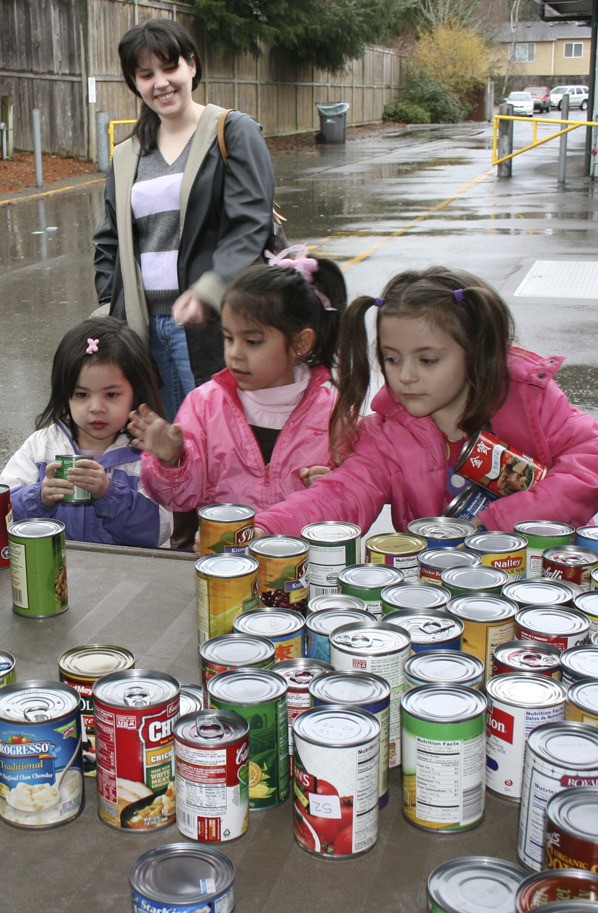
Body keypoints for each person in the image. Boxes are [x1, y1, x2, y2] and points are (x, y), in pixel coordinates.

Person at [252, 266, 598, 537]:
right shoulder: (386, 435)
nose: (405, 376)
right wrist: (266, 528)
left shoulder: (530, 400)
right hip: (443, 586)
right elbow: (342, 493)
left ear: (475, 353)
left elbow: (594, 462)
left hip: (549, 571)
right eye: (392, 359)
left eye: (427, 360)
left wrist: (504, 520)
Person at [93, 18, 275, 421]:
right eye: (146, 74)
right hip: (145, 334)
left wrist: (209, 290)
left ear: (192, 65)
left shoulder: (231, 132)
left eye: (169, 67)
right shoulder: (126, 157)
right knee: (168, 451)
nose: (160, 82)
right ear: (134, 83)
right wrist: (111, 307)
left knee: (225, 442)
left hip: (216, 325)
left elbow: (250, 224)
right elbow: (108, 242)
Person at [128, 249, 347, 513]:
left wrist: (334, 491)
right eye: (229, 338)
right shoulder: (204, 406)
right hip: (224, 553)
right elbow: (179, 499)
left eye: (253, 341)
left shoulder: (335, 413)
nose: (235, 354)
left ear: (300, 342)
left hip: (301, 555)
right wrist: (171, 460)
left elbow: (356, 501)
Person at [1, 318, 172, 547]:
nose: (96, 408)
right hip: (53, 573)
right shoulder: (42, 447)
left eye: (111, 395)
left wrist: (109, 494)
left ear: (135, 393)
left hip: (124, 577)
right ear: (65, 394)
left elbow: (159, 531)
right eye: (82, 394)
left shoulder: (145, 457)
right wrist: (39, 497)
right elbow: (5, 513)